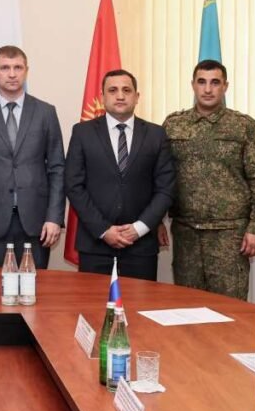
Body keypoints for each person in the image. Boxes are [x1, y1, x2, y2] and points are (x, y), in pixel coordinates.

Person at [162, 60, 255, 300]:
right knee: (188, 306)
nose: (208, 89)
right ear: (193, 85)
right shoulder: (173, 125)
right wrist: (157, 221)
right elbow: (160, 176)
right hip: (186, 233)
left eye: (215, 83)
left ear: (225, 86)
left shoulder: (242, 126)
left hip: (230, 235)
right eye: (202, 82)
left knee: (229, 307)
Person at [64, 69, 175, 280]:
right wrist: (104, 230)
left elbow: (165, 189)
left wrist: (139, 228)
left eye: (127, 90)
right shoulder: (82, 132)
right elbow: (73, 185)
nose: (120, 96)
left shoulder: (156, 134)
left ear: (137, 96)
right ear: (102, 96)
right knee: (94, 302)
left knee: (139, 302)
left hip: (140, 246)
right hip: (95, 244)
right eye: (113, 90)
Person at [0, 46, 65, 268]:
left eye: (18, 67)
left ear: (26, 71)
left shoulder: (46, 112)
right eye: (5, 68)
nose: (11, 74)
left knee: (34, 287)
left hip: (37, 223)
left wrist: (54, 218)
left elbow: (57, 169)